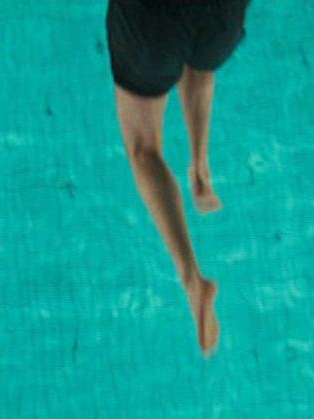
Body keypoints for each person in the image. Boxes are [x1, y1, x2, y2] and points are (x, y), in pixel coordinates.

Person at [106, 0, 250, 356]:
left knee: (144, 150)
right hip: (222, 17)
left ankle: (192, 280)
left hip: (153, 21)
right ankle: (200, 164)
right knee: (201, 55)